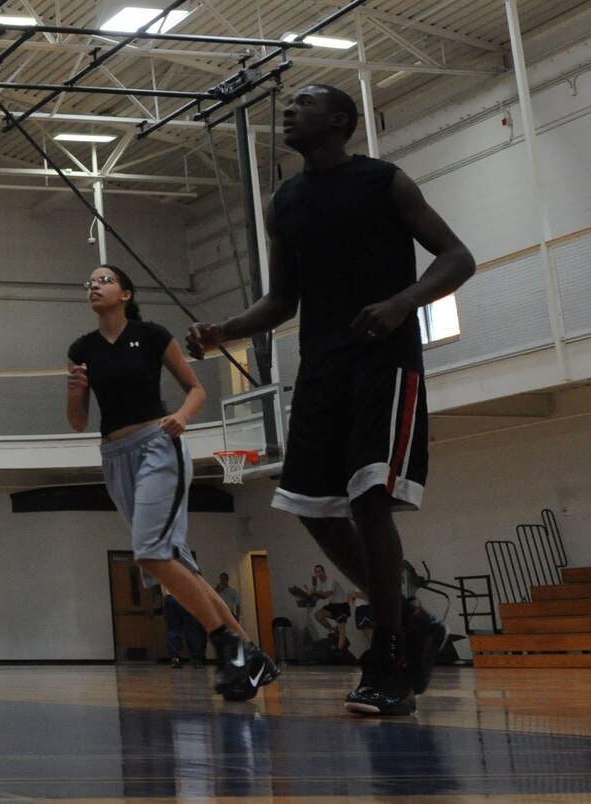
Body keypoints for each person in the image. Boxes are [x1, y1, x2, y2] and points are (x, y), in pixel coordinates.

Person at [190, 83, 474, 717]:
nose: (288, 110)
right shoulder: (284, 201)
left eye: (303, 102)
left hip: (385, 364)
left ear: (339, 120)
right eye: (287, 104)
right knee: (312, 509)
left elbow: (459, 257)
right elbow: (282, 301)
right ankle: (416, 619)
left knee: (370, 501)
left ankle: (391, 653)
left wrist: (404, 302)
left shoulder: (386, 182)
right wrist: (223, 331)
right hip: (320, 370)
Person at [65, 264, 277, 700]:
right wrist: (73, 391)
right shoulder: (81, 348)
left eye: (104, 279)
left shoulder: (152, 335)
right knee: (177, 564)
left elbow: (195, 389)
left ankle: (228, 644)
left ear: (126, 293)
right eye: (90, 281)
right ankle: (253, 656)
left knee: (150, 554)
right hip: (114, 456)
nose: (94, 285)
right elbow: (78, 421)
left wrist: (181, 418)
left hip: (157, 446)